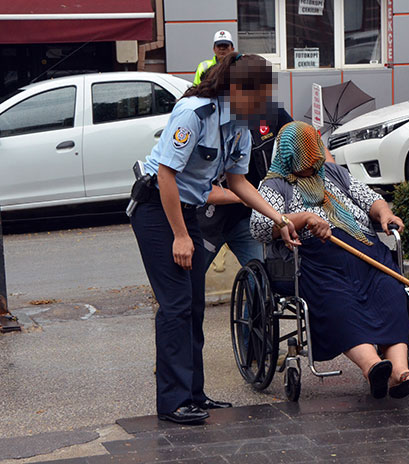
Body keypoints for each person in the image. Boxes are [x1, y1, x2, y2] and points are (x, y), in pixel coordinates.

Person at [130, 52, 299, 425]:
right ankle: (172, 402)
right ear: (236, 90)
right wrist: (179, 236)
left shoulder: (240, 126)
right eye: (258, 97)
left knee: (193, 306)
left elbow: (239, 184)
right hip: (156, 209)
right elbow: (165, 176)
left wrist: (280, 218)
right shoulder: (194, 112)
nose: (263, 106)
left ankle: (193, 394)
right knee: (175, 306)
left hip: (184, 210)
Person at [250, 121, 409, 399]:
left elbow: (369, 198)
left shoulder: (332, 172)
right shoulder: (275, 185)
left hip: (365, 249)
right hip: (315, 257)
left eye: (315, 156)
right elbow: (260, 227)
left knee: (391, 291)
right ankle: (373, 367)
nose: (314, 164)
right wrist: (305, 219)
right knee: (338, 300)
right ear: (289, 156)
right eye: (306, 159)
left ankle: (401, 372)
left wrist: (384, 215)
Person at [197, 105, 293, 272]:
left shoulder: (272, 113)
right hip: (206, 219)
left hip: (246, 219)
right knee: (190, 283)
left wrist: (332, 175)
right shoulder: (209, 122)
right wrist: (244, 197)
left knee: (259, 281)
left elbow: (305, 141)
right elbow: (199, 188)